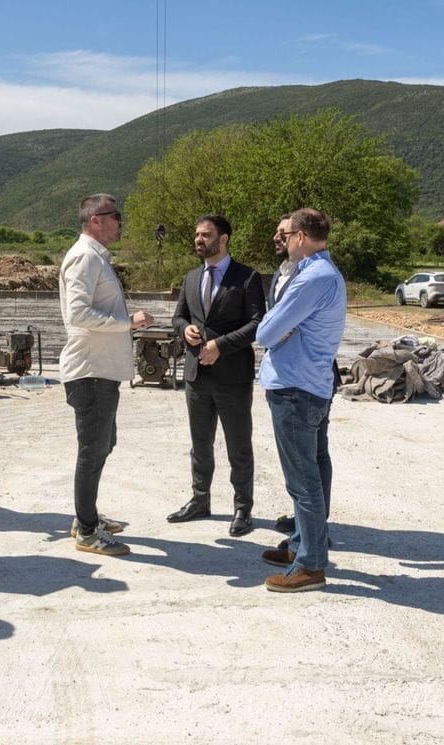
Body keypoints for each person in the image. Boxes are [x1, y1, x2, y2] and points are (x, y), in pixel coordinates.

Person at [255, 208, 346, 593]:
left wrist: (278, 327)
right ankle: (301, 545)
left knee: (302, 480)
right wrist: (283, 328)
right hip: (310, 385)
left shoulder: (312, 277)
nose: (284, 240)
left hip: (296, 388)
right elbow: (279, 328)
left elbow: (265, 332)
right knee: (313, 469)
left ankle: (310, 565)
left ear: (302, 236)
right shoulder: (324, 273)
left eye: (288, 234)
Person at [59, 193, 153, 556]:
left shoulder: (95, 256)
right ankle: (86, 531)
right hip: (90, 370)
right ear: (96, 220)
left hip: (100, 370)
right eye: (116, 215)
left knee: (102, 445)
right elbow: (78, 313)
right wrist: (127, 322)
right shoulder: (85, 256)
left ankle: (86, 516)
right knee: (92, 450)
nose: (120, 222)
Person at [168, 214, 265, 537]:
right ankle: (200, 500)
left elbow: (256, 324)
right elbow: (178, 317)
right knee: (200, 444)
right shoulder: (191, 277)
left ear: (223, 239)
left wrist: (220, 346)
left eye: (206, 235)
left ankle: (243, 508)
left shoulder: (247, 277)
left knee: (239, 446)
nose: (199, 239)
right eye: (197, 234)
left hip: (233, 377)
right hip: (197, 376)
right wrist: (185, 329)